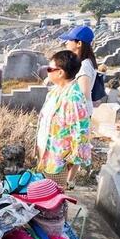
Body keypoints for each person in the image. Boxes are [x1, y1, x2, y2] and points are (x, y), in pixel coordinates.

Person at [36, 50, 91, 189]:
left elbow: (81, 132)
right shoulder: (55, 91)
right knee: (42, 196)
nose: (48, 72)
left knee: (53, 199)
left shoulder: (74, 97)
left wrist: (71, 167)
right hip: (46, 156)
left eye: (50, 69)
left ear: (60, 72)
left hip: (58, 160)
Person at [60, 26, 98, 117]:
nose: (66, 43)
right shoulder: (82, 63)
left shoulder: (84, 65)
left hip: (78, 115)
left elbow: (83, 94)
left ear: (79, 43)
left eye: (70, 40)